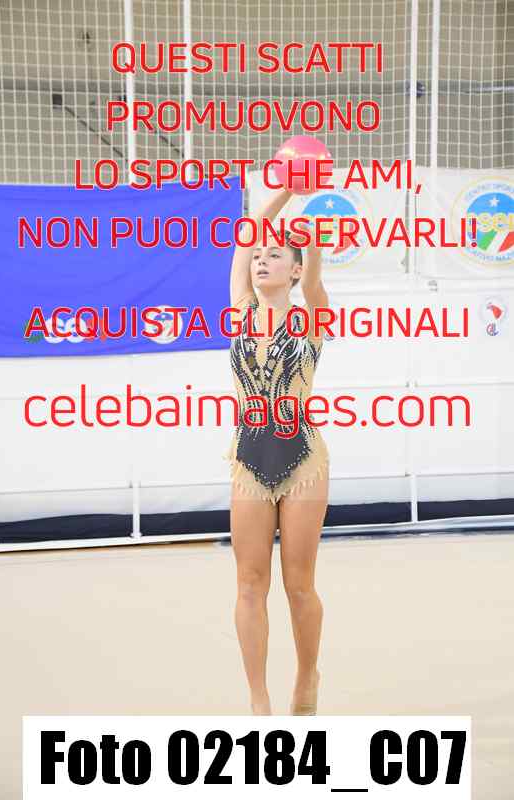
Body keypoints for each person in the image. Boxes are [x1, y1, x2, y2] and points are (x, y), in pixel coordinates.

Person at [224, 186, 330, 715]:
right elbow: (244, 238)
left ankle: (307, 677)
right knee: (249, 583)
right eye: (258, 258)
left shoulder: (311, 319)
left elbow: (314, 285)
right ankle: (259, 699)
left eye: (274, 256)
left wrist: (312, 246)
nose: (261, 260)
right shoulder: (240, 312)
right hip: (249, 459)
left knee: (299, 585)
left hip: (303, 460)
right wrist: (286, 187)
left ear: (294, 270)